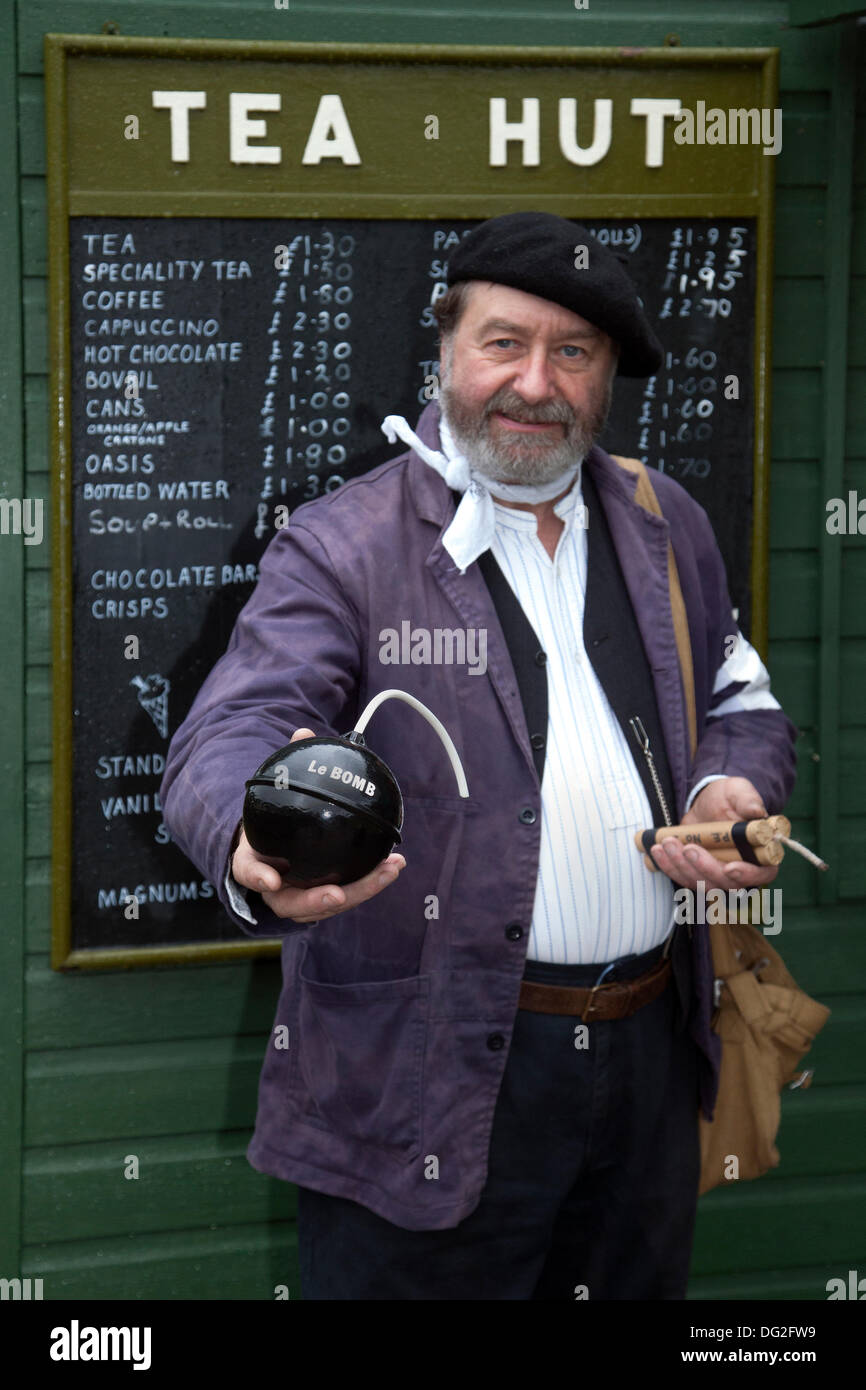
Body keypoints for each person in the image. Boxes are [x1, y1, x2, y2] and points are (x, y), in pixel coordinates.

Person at [160, 211, 797, 1300]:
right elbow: (233, 728)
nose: (534, 383)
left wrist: (724, 782)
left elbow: (740, 691)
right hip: (428, 1070)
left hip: (647, 1055)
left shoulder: (665, 521)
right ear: (446, 352)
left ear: (604, 380)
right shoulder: (344, 543)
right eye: (503, 343)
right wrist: (250, 837)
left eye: (573, 352)